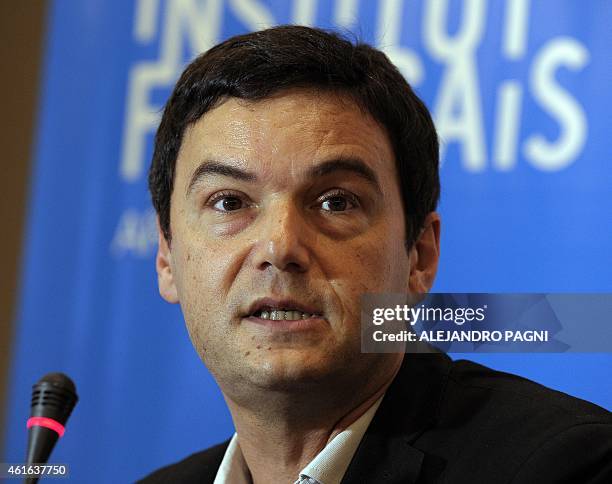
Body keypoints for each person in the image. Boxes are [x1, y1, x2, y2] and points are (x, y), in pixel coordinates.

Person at [139, 25, 612, 483]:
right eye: (229, 202)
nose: (280, 247)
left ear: (419, 256)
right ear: (166, 256)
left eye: (336, 202)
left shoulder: (562, 465)